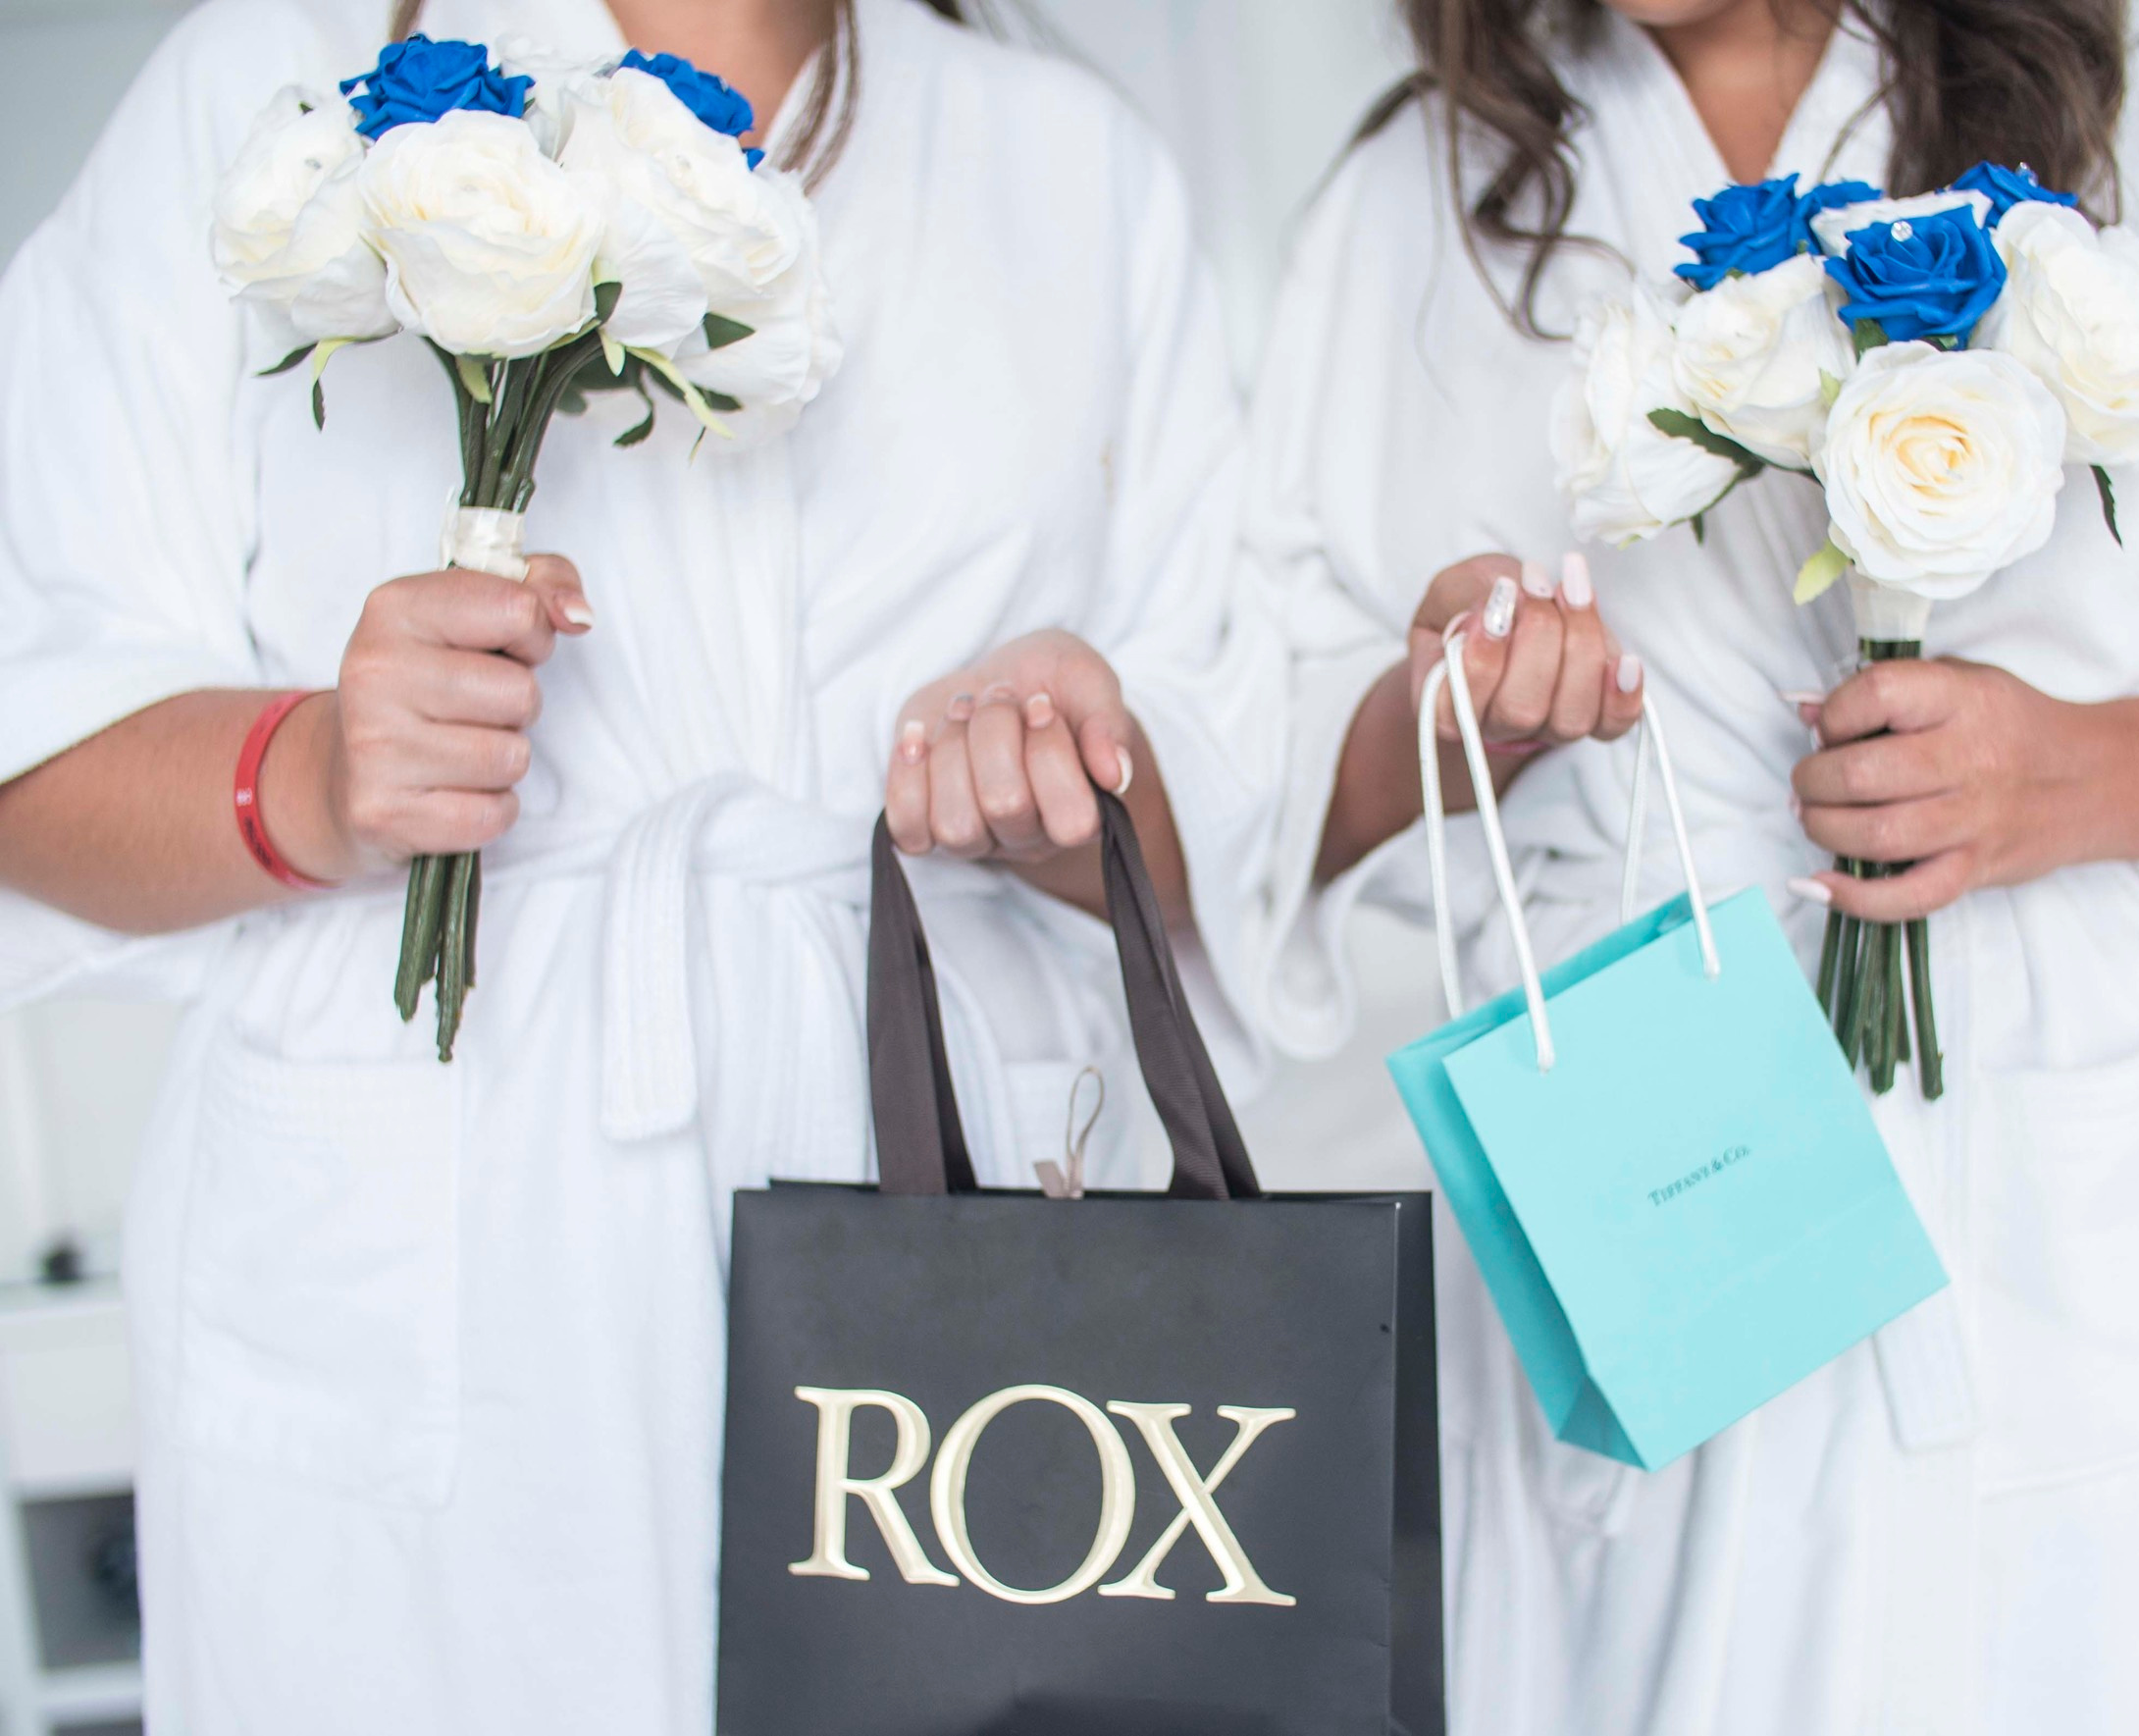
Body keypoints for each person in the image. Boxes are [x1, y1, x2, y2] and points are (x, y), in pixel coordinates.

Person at [1241, 0, 2139, 1730]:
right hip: (1651, 1203)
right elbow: (1267, 765)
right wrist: (1455, 708)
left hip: (2107, 1242)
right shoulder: (1430, 192)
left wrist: (2085, 778)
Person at [0, 0, 1270, 1729]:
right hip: (423, 1260)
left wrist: (1064, 786)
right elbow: (27, 736)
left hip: (963, 1252)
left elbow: (1236, 817)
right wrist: (310, 772)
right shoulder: (280, 81)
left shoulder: (1067, 156)